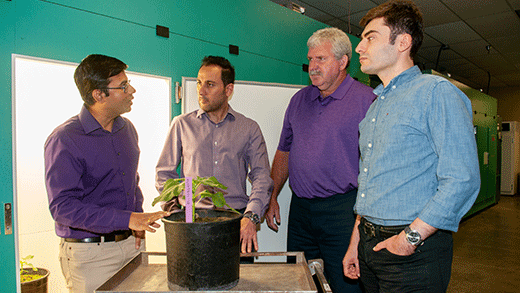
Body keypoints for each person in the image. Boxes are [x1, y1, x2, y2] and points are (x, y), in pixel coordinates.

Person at [342, 1, 481, 292]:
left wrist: (409, 240)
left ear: (403, 42)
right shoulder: (376, 106)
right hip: (369, 246)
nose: (359, 48)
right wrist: (356, 241)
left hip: (413, 255)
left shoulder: (435, 93)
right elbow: (370, 182)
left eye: (370, 37)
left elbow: (462, 179)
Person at [44, 54, 170, 293]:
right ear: (98, 95)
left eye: (128, 81)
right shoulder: (65, 139)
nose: (131, 89)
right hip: (91, 256)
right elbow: (62, 208)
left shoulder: (127, 129)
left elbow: (131, 182)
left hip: (132, 246)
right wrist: (127, 218)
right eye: (123, 86)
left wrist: (137, 218)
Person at [265, 28, 376, 293]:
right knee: (301, 280)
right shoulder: (299, 100)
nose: (312, 67)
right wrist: (272, 196)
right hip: (301, 210)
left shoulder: (367, 101)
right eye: (310, 60)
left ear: (342, 61)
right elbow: (284, 151)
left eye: (321, 59)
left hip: (343, 211)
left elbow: (377, 163)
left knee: (345, 283)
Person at [155, 55, 273, 254]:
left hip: (237, 222)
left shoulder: (249, 128)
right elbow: (164, 175)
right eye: (199, 83)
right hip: (192, 221)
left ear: (228, 89)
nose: (201, 91)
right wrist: (177, 214)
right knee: (192, 282)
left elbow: (262, 176)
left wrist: (251, 217)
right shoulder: (182, 125)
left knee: (239, 282)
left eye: (210, 84)